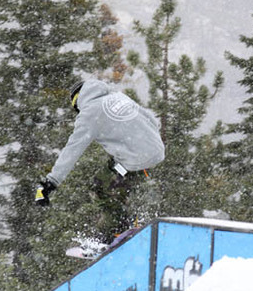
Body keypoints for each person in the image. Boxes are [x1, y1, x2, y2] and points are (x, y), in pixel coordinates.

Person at [35, 79, 165, 208]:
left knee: (99, 187)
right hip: (157, 150)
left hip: (134, 159)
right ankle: (138, 200)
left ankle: (118, 224)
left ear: (78, 101)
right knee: (119, 173)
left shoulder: (89, 113)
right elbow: (152, 120)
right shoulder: (118, 96)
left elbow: (73, 149)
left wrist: (51, 182)